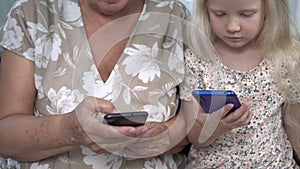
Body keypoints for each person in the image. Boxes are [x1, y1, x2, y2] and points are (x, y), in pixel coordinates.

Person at [0, 0, 191, 168]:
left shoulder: (176, 16)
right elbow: (4, 137)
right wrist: (69, 130)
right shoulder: (33, 12)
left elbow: (196, 127)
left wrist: (163, 138)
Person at [180, 0, 300, 168]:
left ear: (268, 10)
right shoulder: (196, 60)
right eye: (219, 14)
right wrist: (217, 127)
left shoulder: (284, 56)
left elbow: (295, 125)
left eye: (246, 14)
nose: (232, 27)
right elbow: (194, 137)